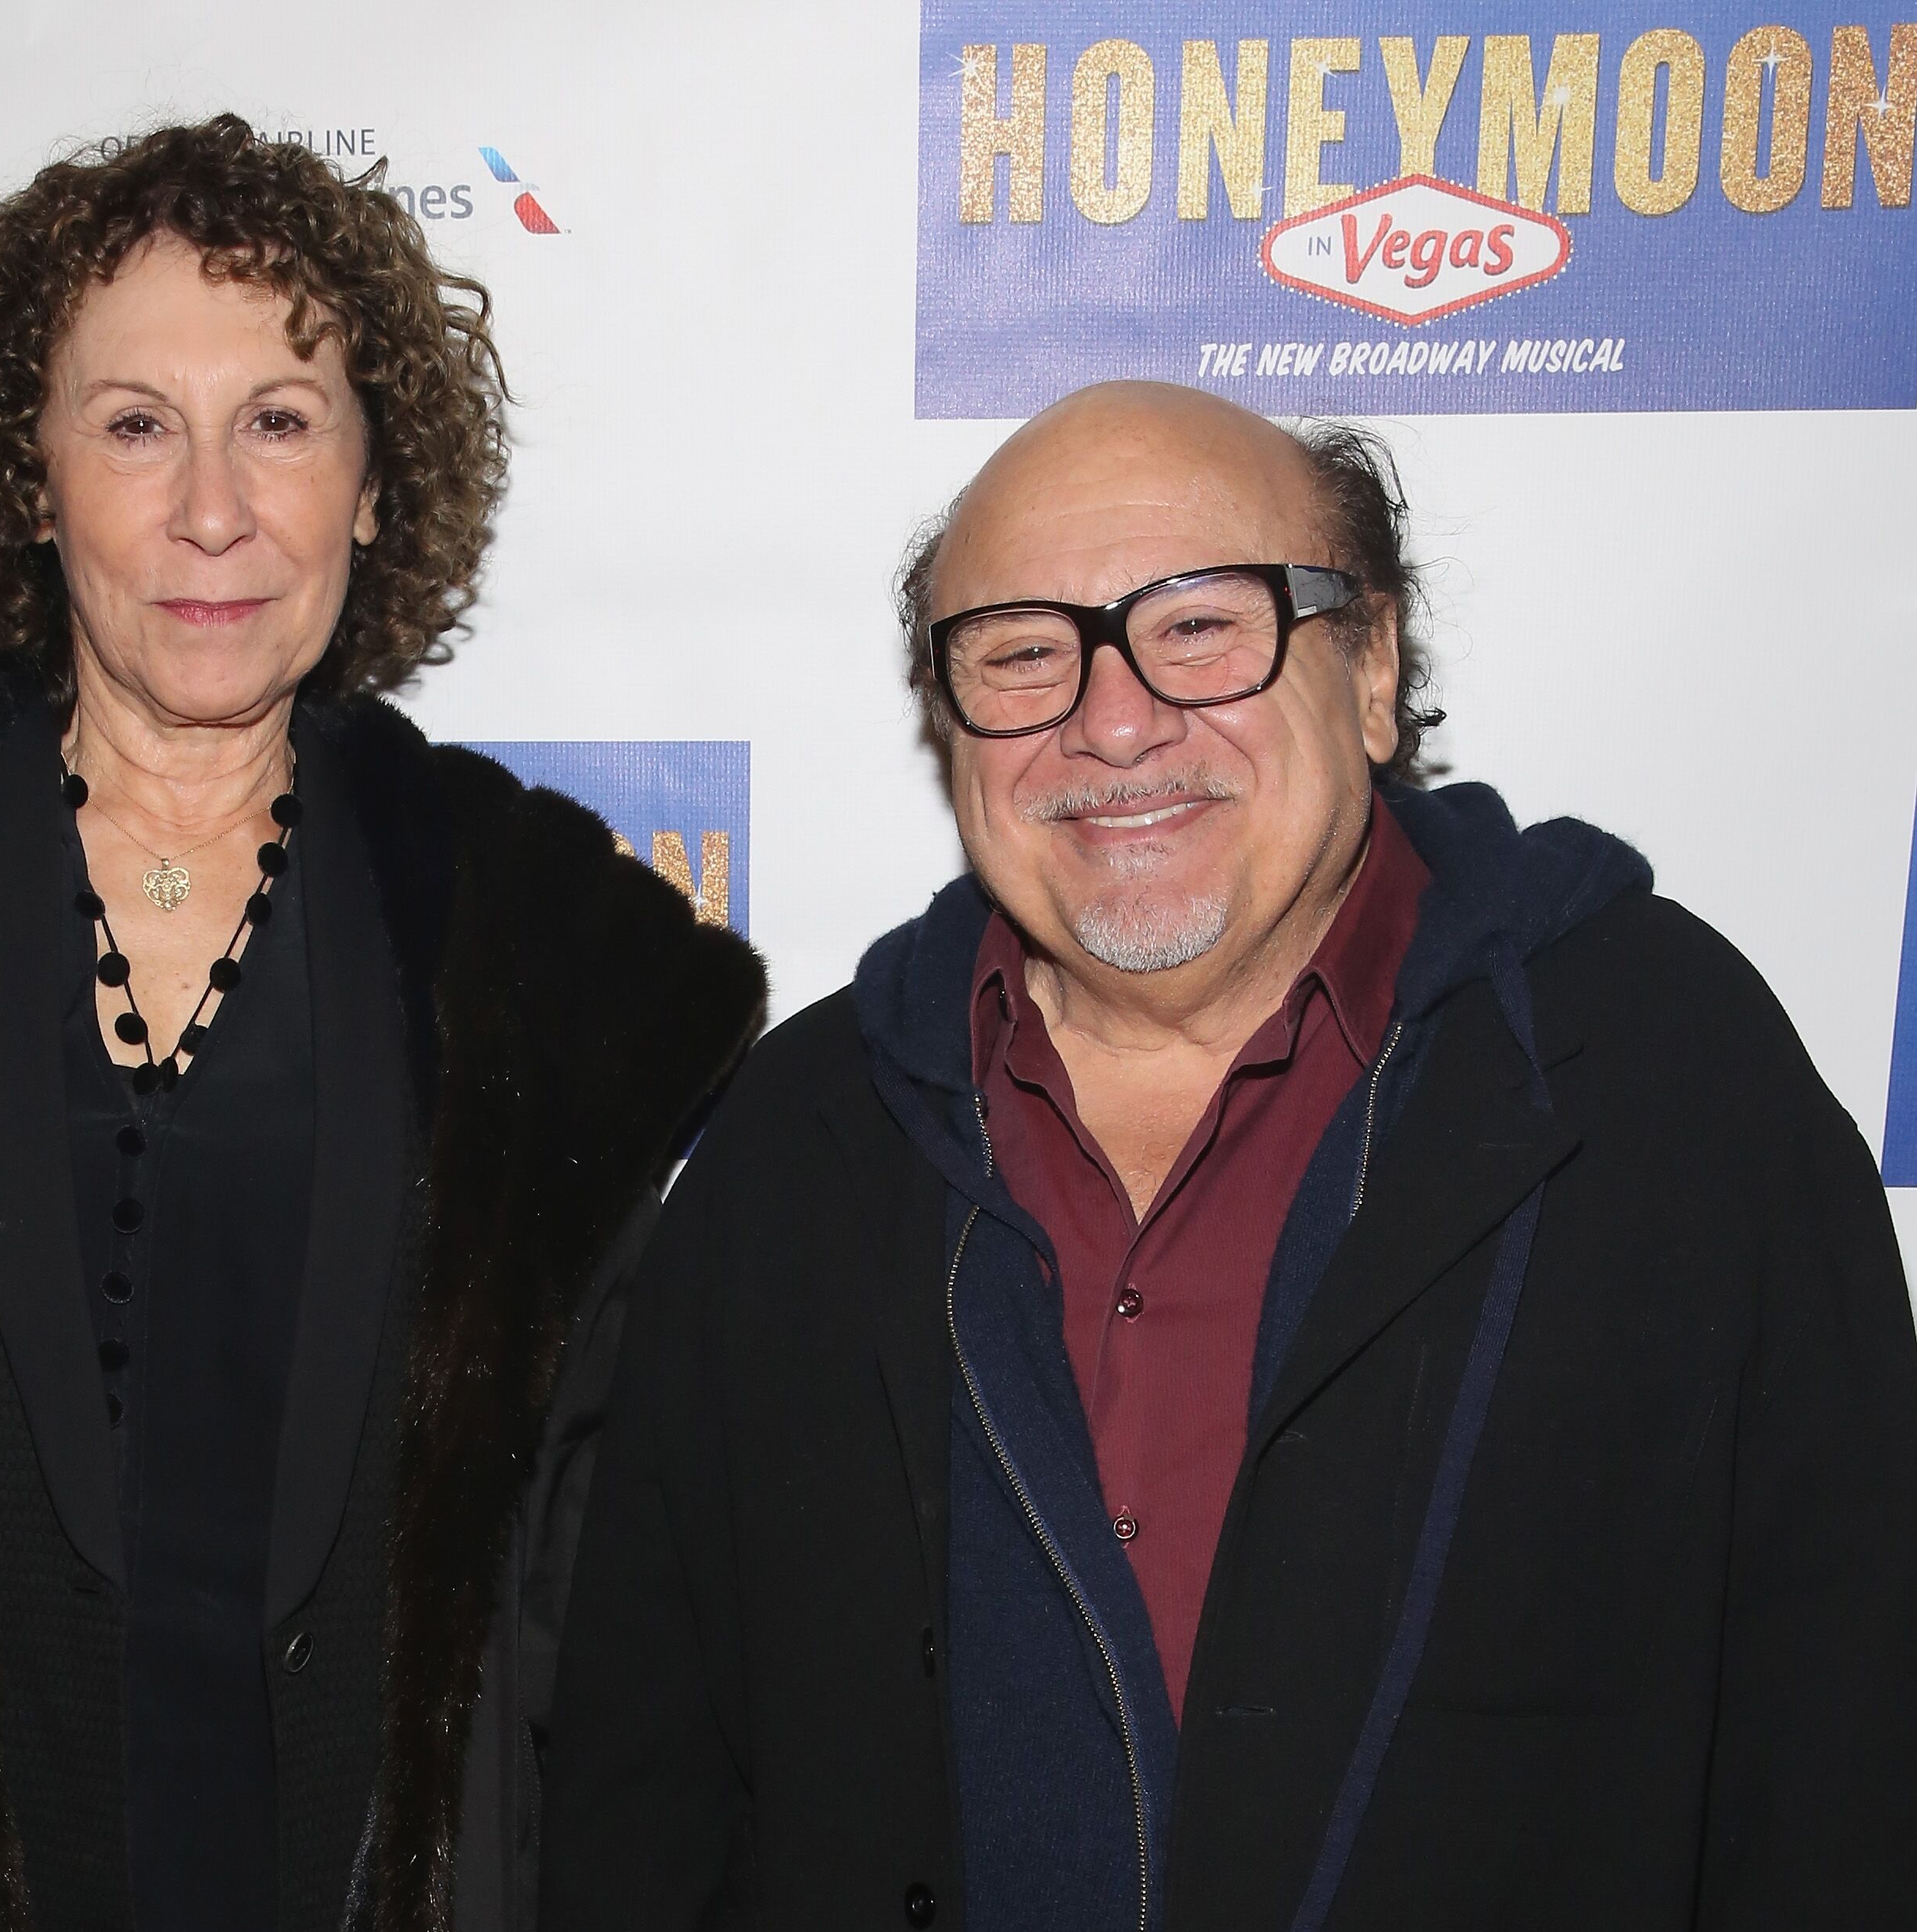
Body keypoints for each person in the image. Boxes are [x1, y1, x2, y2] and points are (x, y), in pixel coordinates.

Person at [0, 117, 763, 1932]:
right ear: (27, 481)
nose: (211, 510)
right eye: (132, 425)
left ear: (371, 479)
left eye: (278, 419)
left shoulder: (542, 964)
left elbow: (595, 1608)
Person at [541, 381, 1917, 1930]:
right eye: (1021, 652)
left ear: (1375, 666)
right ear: (952, 727)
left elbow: (1849, 1759)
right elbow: (642, 1800)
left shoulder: (1666, 1078)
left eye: (1202, 628)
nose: (1113, 719)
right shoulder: (800, 1143)